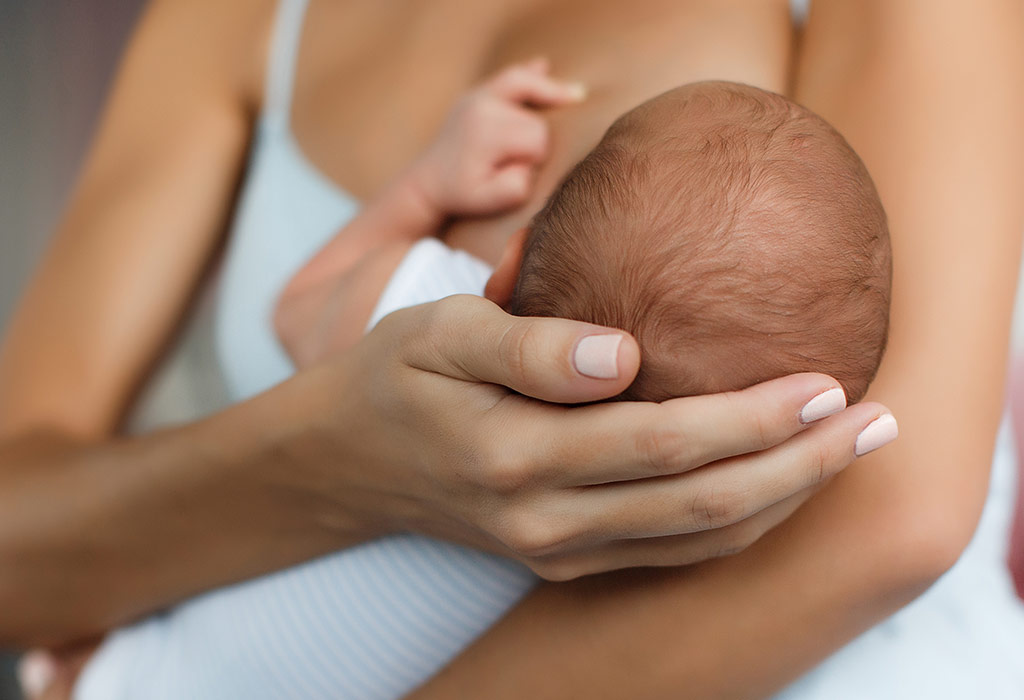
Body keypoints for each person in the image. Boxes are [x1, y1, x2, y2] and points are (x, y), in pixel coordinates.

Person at [5, 0, 1023, 697]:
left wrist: (414, 213)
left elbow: (896, 520)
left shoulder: (426, 304)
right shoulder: (240, 23)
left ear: (511, 261)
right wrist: (343, 457)